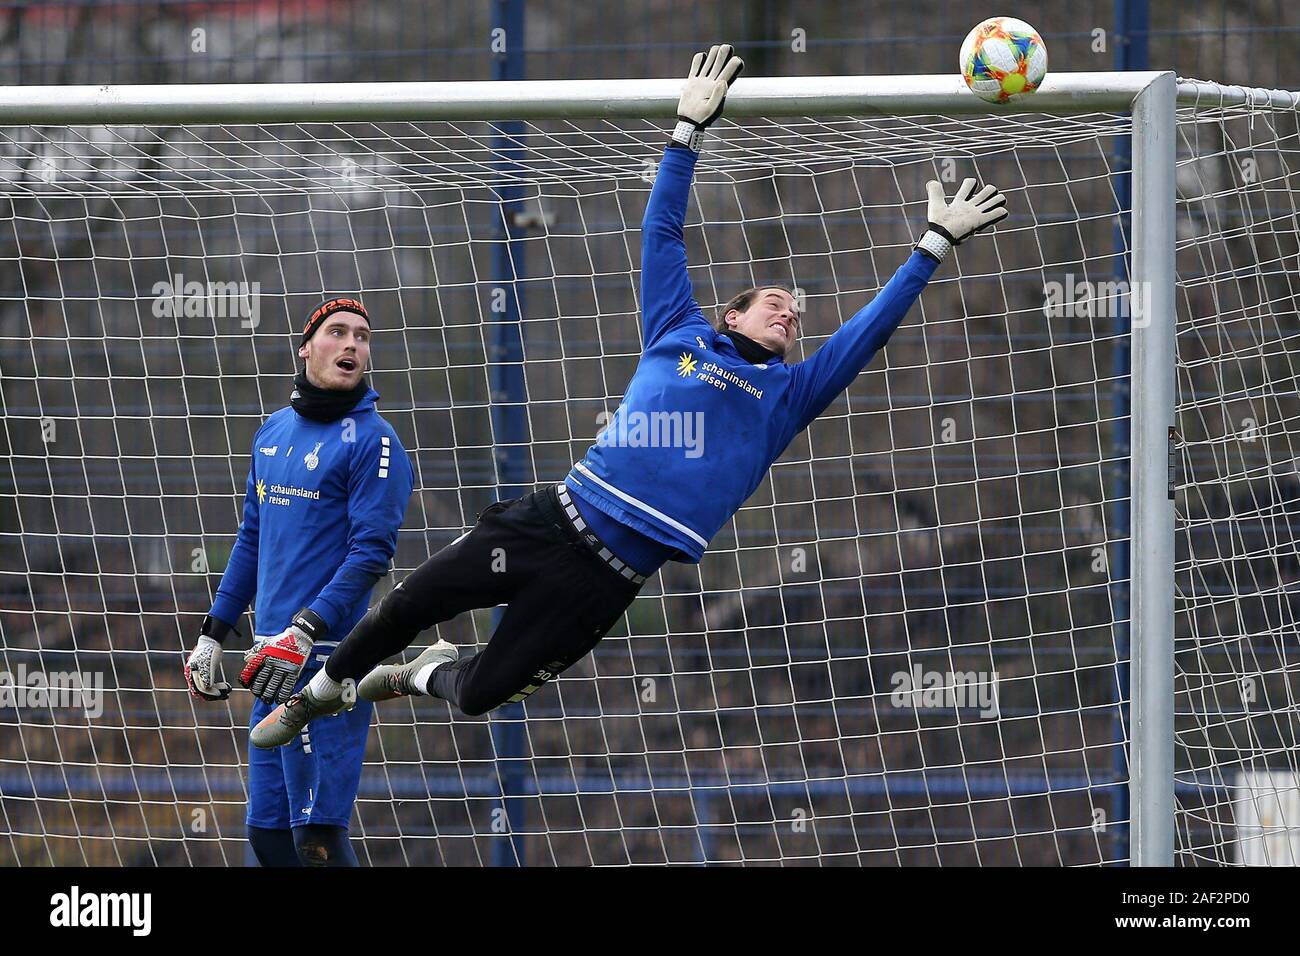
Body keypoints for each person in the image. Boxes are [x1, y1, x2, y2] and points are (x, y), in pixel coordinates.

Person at [249, 44, 1006, 747]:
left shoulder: (786, 395)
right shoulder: (678, 332)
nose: (788, 312)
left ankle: (415, 673)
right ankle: (317, 693)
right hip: (552, 522)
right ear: (729, 315)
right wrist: (686, 134)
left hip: (606, 581)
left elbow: (864, 337)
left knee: (480, 694)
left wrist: (930, 246)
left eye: (795, 314)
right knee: (411, 603)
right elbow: (662, 231)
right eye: (771, 301)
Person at [182, 296, 414, 865]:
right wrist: (214, 632)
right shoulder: (272, 431)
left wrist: (305, 631)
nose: (353, 345)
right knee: (267, 835)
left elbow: (370, 555)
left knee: (316, 837)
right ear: (306, 347)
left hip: (327, 662)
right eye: (338, 332)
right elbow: (251, 538)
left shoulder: (376, 441)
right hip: (269, 661)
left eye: (363, 336)